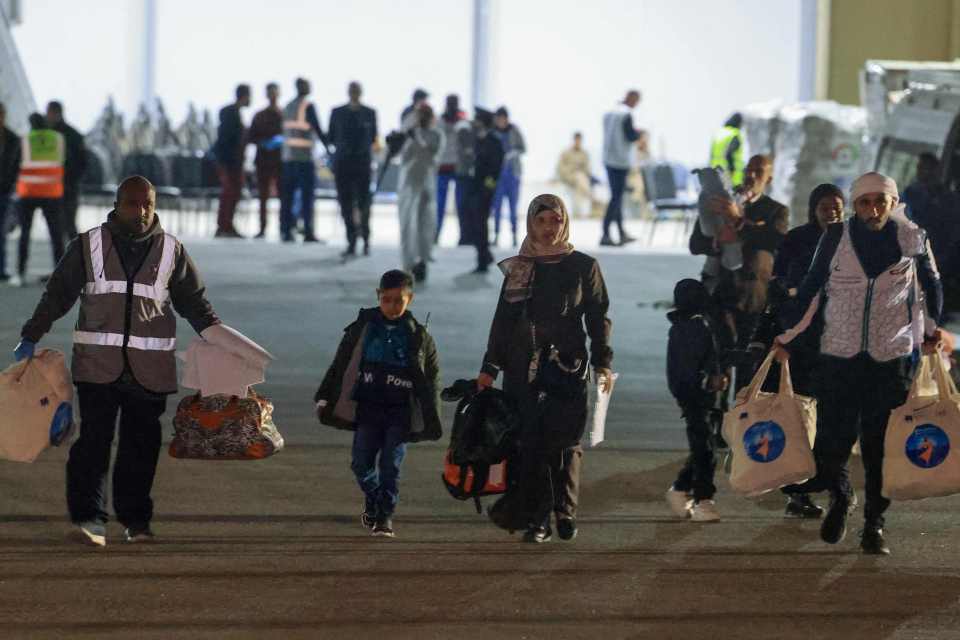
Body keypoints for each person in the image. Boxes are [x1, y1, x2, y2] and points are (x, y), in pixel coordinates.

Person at [14, 175, 221, 546]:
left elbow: (195, 302)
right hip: (98, 366)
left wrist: (221, 339)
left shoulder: (171, 250)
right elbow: (58, 294)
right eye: (132, 203)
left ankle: (135, 520)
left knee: (140, 448)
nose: (140, 212)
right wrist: (32, 334)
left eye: (147, 205)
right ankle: (88, 517)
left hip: (150, 370)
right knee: (93, 443)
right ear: (117, 203)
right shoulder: (89, 245)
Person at [775, 172, 944, 555]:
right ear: (855, 205)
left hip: (890, 358)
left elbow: (930, 286)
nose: (872, 210)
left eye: (880, 202)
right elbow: (812, 289)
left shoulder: (912, 237)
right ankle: (840, 496)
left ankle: (874, 525)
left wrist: (932, 331)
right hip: (840, 354)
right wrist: (787, 336)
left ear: (892, 202)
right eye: (865, 203)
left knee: (878, 447)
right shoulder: (835, 237)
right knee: (832, 442)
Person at [478, 193, 613, 543]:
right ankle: (538, 519)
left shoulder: (583, 265)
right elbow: (503, 320)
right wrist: (489, 367)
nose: (549, 228)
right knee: (530, 442)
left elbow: (598, 317)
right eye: (542, 221)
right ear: (530, 223)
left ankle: (564, 509)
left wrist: (603, 361)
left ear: (565, 222)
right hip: (523, 366)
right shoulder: (522, 266)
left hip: (567, 365)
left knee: (566, 442)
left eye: (555, 220)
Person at [314, 269, 442, 538]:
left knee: (390, 466)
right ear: (377, 296)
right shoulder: (363, 328)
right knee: (360, 463)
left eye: (399, 301)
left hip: (400, 411)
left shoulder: (419, 336)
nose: (392, 306)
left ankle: (384, 516)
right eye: (387, 299)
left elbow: (431, 377)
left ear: (410, 299)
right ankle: (374, 496)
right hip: (368, 407)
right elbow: (341, 363)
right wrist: (325, 396)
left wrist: (432, 416)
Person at [766, 184, 851, 519]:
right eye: (825, 206)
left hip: (839, 342)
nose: (831, 211)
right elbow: (777, 282)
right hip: (802, 340)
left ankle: (835, 487)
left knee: (834, 420)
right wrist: (791, 294)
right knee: (800, 419)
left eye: (837, 206)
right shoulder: (797, 239)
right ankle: (796, 493)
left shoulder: (852, 238)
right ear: (813, 208)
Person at [707, 155, 789, 353]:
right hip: (720, 291)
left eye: (758, 172)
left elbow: (772, 241)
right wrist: (716, 240)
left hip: (753, 296)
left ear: (768, 179)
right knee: (719, 363)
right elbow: (696, 243)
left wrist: (738, 221)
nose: (751, 175)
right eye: (748, 169)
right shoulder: (721, 200)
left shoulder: (776, 211)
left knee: (747, 364)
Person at [665, 278, 727, 521]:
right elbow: (690, 368)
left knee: (704, 447)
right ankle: (703, 500)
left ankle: (681, 489)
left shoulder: (685, 326)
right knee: (705, 449)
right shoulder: (696, 327)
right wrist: (709, 382)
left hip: (695, 396)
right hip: (697, 397)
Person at [902, 153, 960, 312]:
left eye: (927, 168)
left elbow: (952, 235)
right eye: (920, 168)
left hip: (937, 263)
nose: (923, 172)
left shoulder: (949, 200)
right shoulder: (909, 194)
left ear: (937, 171)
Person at [328, 81, 378, 257]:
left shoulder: (369, 113)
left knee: (364, 203)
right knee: (346, 204)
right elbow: (332, 137)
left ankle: (365, 239)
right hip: (343, 164)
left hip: (362, 164)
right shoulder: (337, 113)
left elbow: (372, 138)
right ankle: (351, 240)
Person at [16, 113, 65, 286]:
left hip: (28, 193)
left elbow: (16, 163)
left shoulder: (25, 139)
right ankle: (60, 275)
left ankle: (20, 273)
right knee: (56, 234)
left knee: (25, 233)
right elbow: (64, 162)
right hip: (52, 193)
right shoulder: (58, 139)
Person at [397, 104, 443, 283]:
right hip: (408, 186)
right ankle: (407, 264)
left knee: (425, 227)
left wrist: (418, 139)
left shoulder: (437, 135)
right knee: (407, 226)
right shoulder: (408, 134)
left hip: (426, 186)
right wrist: (404, 139)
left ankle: (422, 262)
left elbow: (434, 158)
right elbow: (400, 156)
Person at [280, 77, 328, 243]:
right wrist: (329, 147)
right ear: (302, 87)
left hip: (288, 157)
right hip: (304, 157)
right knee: (307, 197)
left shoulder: (287, 106)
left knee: (287, 196)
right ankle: (308, 231)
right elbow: (318, 129)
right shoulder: (308, 106)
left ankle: (285, 231)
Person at [601, 90, 642, 246]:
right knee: (616, 198)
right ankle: (605, 234)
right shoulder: (626, 115)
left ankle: (620, 232)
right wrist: (639, 134)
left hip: (608, 158)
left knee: (616, 197)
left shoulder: (609, 112)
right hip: (620, 161)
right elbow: (630, 136)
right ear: (632, 99)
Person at [466, 108, 503, 273]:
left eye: (477, 119)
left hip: (484, 189)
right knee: (474, 223)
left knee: (480, 224)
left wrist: (488, 187)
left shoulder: (494, 141)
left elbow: (495, 167)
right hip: (473, 186)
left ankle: (482, 259)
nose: (474, 122)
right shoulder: (477, 139)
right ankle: (485, 254)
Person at [212, 84, 250, 238]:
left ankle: (227, 225)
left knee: (232, 193)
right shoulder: (231, 113)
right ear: (245, 95)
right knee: (229, 193)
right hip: (229, 162)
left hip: (233, 161)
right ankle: (224, 226)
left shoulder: (234, 112)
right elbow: (227, 139)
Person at [46, 101, 87, 240]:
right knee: (68, 225)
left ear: (55, 113)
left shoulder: (51, 135)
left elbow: (81, 162)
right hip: (68, 186)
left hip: (60, 186)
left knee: (63, 226)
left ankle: (72, 257)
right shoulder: (74, 134)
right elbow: (83, 163)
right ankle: (75, 257)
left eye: (49, 113)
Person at [247, 83, 284, 239]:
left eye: (274, 93)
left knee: (284, 195)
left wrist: (280, 141)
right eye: (270, 93)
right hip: (263, 160)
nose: (272, 96)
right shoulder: (259, 115)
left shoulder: (284, 114)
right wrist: (263, 143)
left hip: (280, 161)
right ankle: (262, 228)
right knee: (262, 197)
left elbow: (289, 134)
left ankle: (284, 227)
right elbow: (250, 137)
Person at [436, 94, 469, 243]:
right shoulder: (439, 121)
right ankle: (435, 235)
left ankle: (463, 236)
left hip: (458, 167)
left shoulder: (463, 122)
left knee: (461, 205)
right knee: (439, 205)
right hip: (442, 167)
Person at [490, 107, 526, 247]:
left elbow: (523, 147)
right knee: (496, 207)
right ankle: (496, 235)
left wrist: (514, 153)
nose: (501, 121)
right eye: (498, 119)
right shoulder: (493, 133)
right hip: (498, 175)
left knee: (513, 208)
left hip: (513, 174)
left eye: (503, 118)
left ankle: (514, 236)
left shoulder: (514, 130)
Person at [0, 102, 21, 282]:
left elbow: (16, 166)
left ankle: (1, 268)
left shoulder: (13, 139)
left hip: (4, 191)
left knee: (1, 231)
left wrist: (11, 184)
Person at [555, 132, 596, 218]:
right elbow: (560, 168)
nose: (578, 142)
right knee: (579, 178)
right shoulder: (566, 153)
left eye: (579, 140)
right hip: (568, 176)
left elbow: (588, 169)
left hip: (579, 178)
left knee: (579, 185)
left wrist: (583, 172)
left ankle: (577, 214)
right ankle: (591, 196)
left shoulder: (584, 154)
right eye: (576, 140)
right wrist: (569, 174)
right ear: (574, 140)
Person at [709, 113, 744, 188]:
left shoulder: (719, 134)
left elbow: (711, 155)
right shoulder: (734, 134)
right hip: (728, 175)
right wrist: (731, 172)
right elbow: (729, 154)